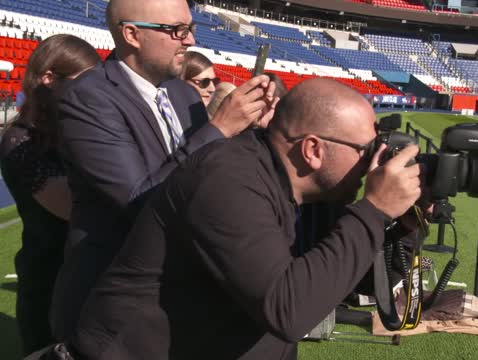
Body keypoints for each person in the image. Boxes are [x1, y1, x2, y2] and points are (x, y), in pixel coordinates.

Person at [69, 78, 422, 359]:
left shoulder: (307, 191)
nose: (372, 163)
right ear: (313, 150)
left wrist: (400, 225)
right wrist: (373, 210)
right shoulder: (226, 178)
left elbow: (346, 280)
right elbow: (290, 310)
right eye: (365, 151)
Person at [50, 0, 277, 341]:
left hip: (174, 300)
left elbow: (212, 175)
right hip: (112, 311)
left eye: (190, 28)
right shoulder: (87, 98)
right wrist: (219, 128)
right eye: (177, 30)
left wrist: (250, 130)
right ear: (132, 34)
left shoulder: (183, 93)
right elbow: (138, 200)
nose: (189, 40)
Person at [0, 34, 100, 356]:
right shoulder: (20, 141)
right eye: (83, 83)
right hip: (48, 280)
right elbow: (72, 207)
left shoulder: (64, 131)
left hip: (80, 276)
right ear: (48, 79)